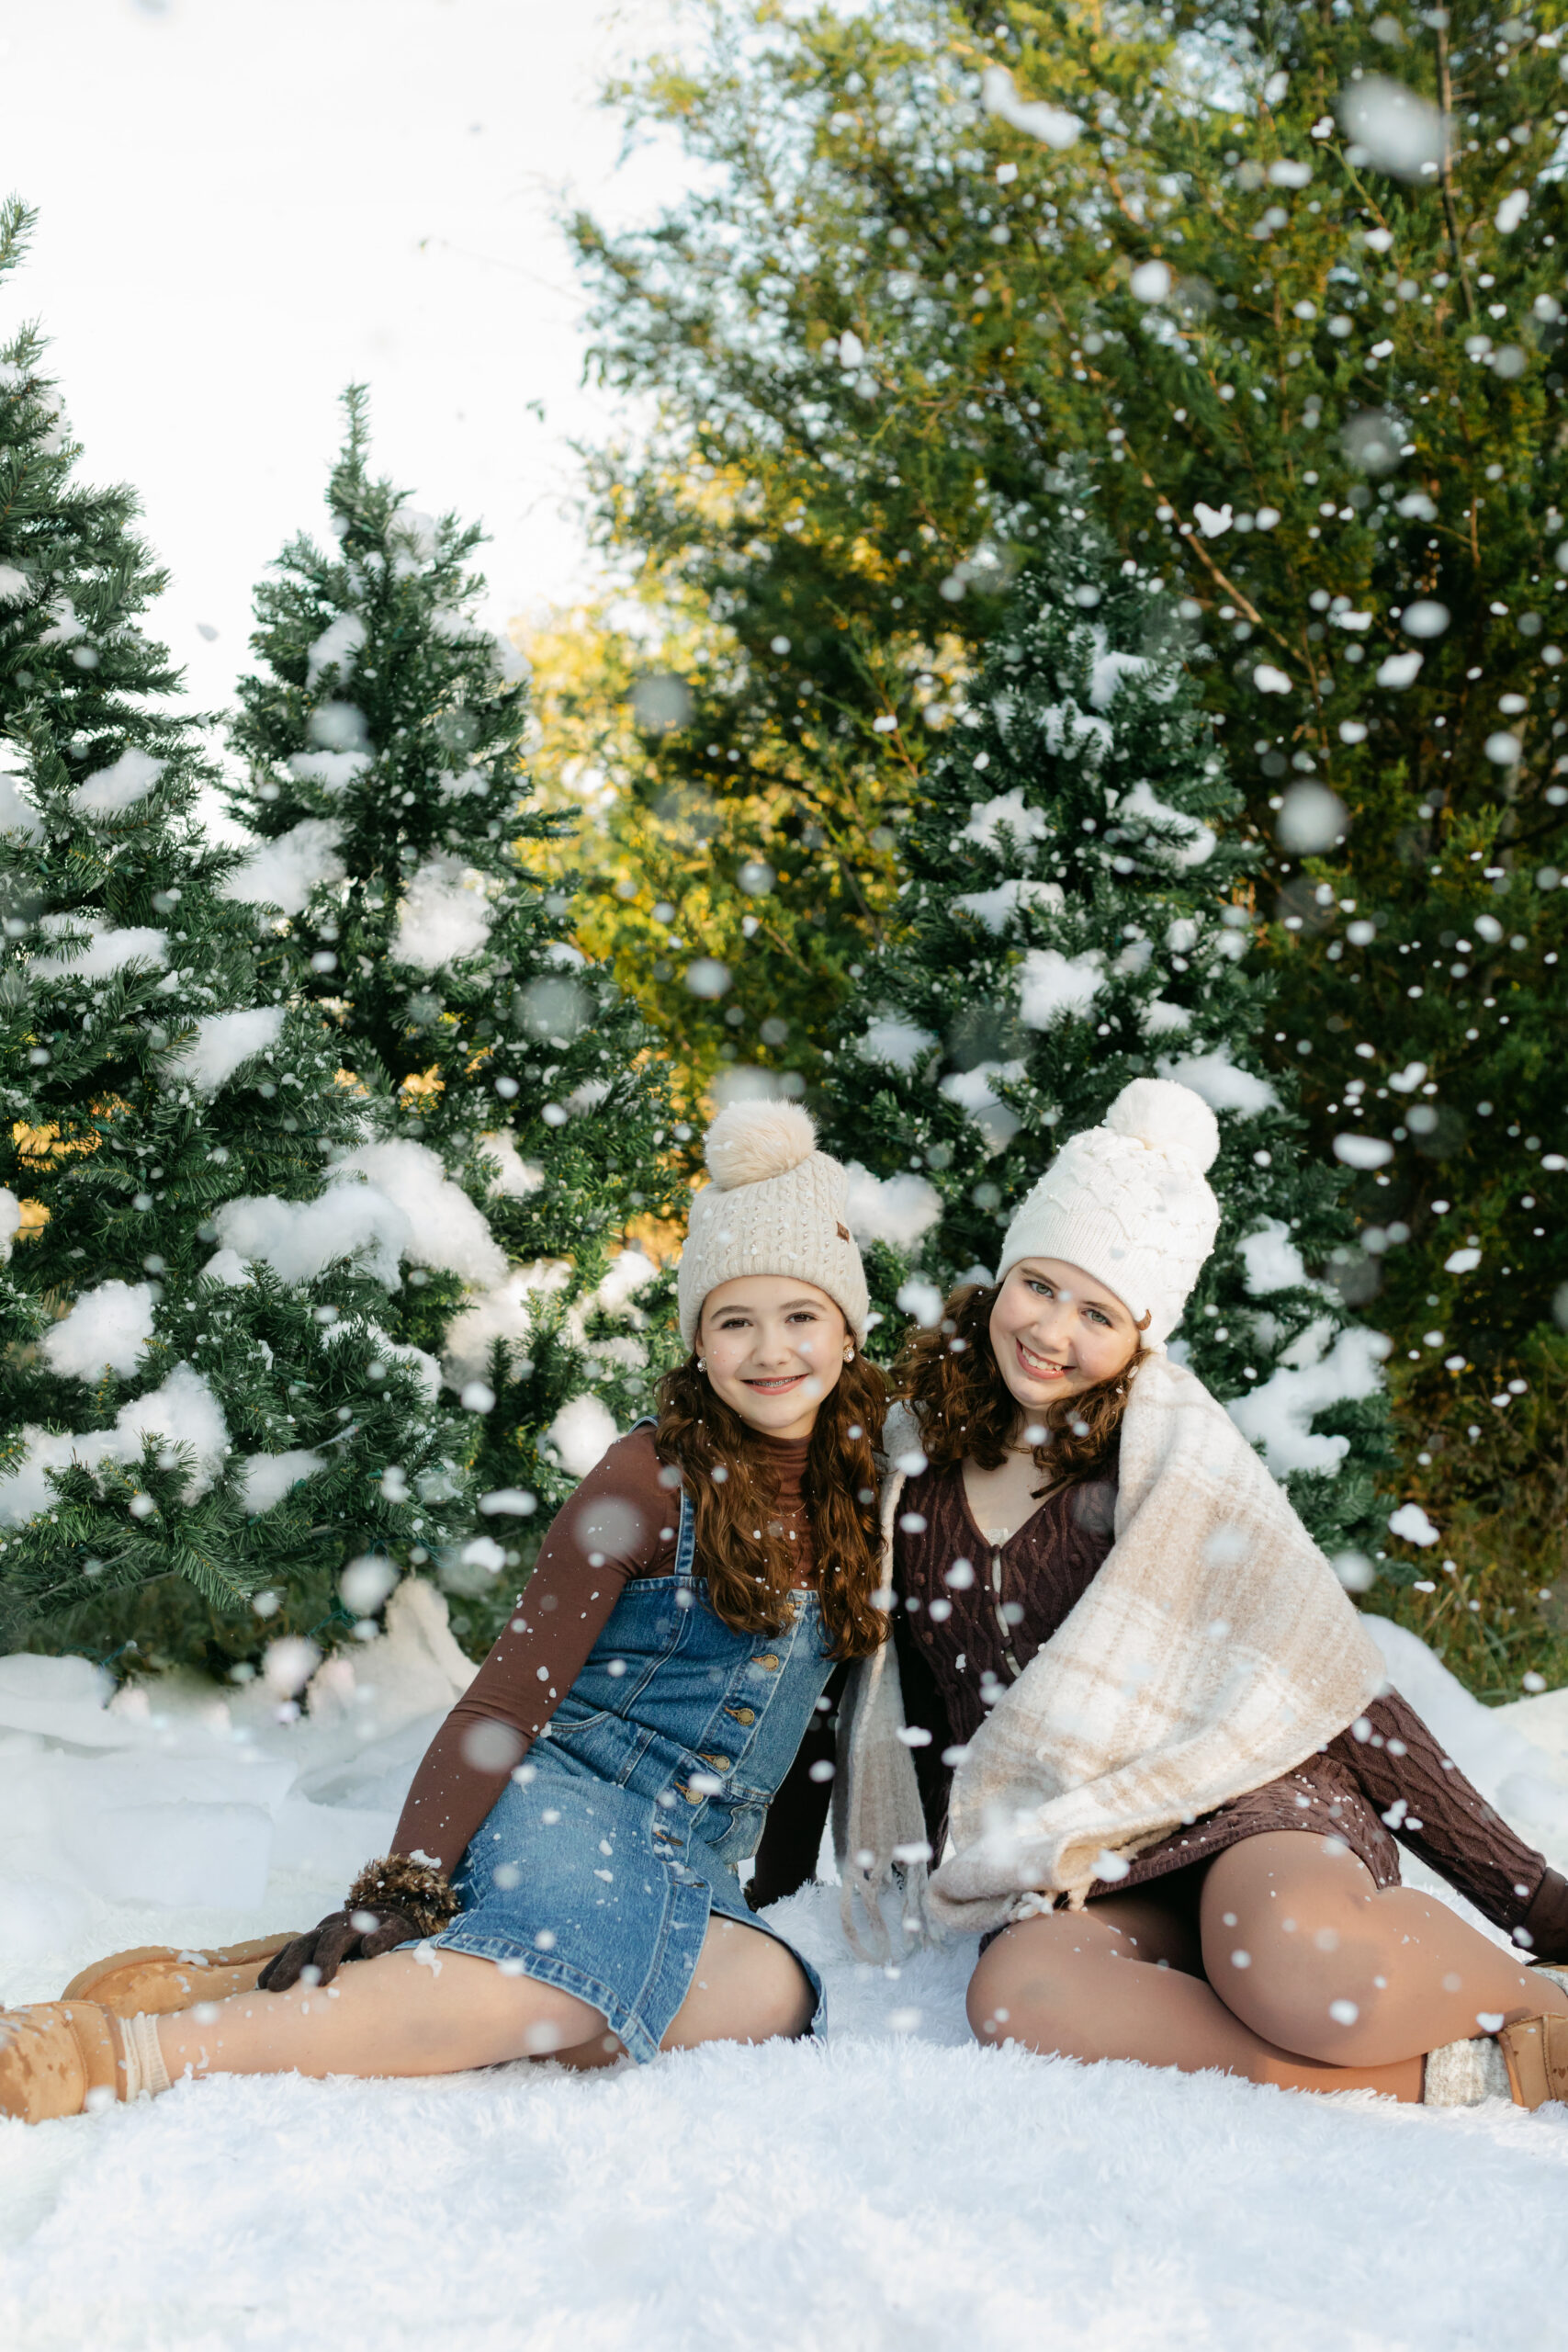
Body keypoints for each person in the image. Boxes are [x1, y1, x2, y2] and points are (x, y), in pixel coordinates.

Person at [0, 1099, 889, 2121]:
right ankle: (120, 2051)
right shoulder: (643, 1481)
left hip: (682, 1856)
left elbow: (818, 1718)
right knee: (564, 1986)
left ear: (847, 1327)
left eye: (800, 1316)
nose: (770, 1350)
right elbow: (503, 1703)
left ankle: (270, 1984)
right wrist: (401, 1887)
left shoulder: (864, 1486)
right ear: (697, 1338)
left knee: (770, 2000)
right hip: (562, 1803)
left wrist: (772, 1899)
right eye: (735, 1319)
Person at [764, 1078, 1568, 2110]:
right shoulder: (916, 1461)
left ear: (1145, 1330)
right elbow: (906, 1696)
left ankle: (1540, 2001)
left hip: (1251, 1804)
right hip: (1076, 1846)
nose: (1052, 1330)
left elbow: (1329, 1684)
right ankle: (1442, 2075)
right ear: (1005, 1271)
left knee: (1295, 1968)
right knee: (1025, 1995)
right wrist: (798, 1890)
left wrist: (1532, 1893)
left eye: (1098, 1311)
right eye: (1039, 1285)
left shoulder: (1175, 1459)